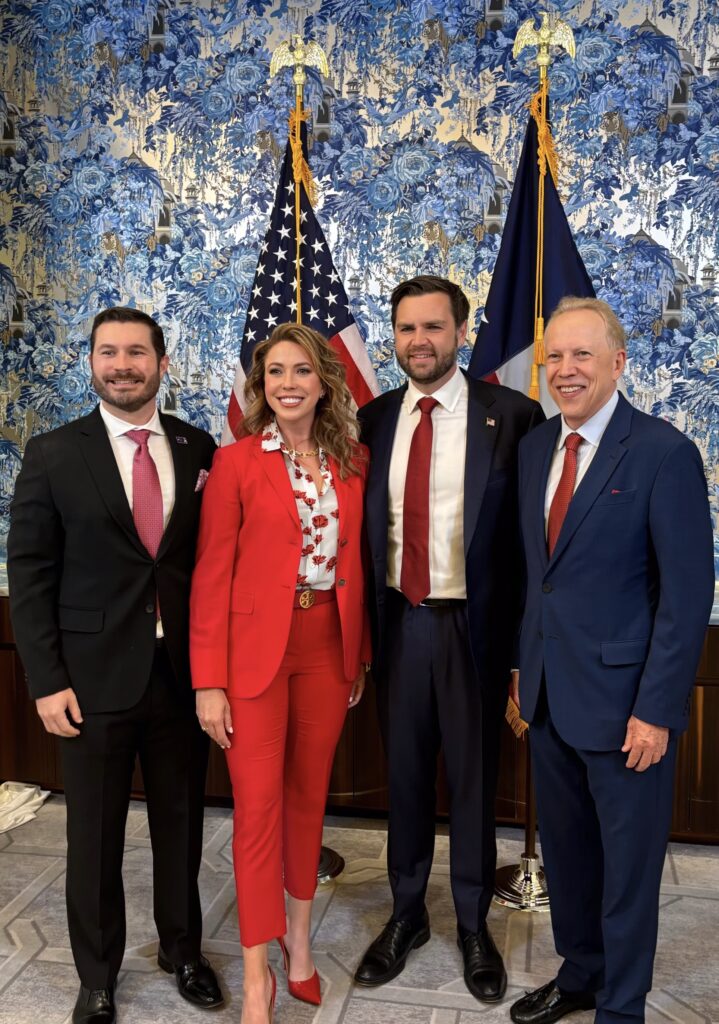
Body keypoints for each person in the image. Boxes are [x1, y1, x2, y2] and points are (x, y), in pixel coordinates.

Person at [7, 307, 222, 1024]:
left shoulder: (197, 447)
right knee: (94, 838)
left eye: (136, 352)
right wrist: (46, 682)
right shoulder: (53, 453)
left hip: (181, 677)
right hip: (90, 681)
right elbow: (30, 575)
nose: (122, 365)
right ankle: (97, 977)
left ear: (161, 362)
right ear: (92, 362)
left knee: (181, 827)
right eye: (108, 352)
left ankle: (182, 952)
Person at [509, 297, 714, 1024]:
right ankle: (581, 977)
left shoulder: (662, 453)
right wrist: (521, 670)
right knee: (568, 859)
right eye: (554, 357)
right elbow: (538, 577)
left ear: (618, 363)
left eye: (582, 355)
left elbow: (685, 597)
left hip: (628, 711)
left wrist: (656, 711)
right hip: (547, 698)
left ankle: (620, 1009)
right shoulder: (536, 447)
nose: (564, 370)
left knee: (626, 874)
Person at [354, 275, 545, 1001]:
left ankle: (471, 924)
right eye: (406, 328)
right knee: (404, 779)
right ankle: (405, 915)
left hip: (475, 628)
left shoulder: (513, 416)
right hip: (398, 626)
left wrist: (526, 652)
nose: (419, 341)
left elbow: (530, 545)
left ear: (461, 333)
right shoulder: (372, 419)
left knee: (472, 781)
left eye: (434, 327)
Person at [190, 321, 370, 1024]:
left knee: (305, 800)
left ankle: (298, 945)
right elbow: (211, 576)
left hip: (328, 646)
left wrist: (358, 653)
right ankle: (256, 972)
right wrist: (209, 681)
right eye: (274, 373)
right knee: (257, 808)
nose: (288, 384)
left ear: (324, 381)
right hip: (252, 656)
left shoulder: (352, 458)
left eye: (301, 371)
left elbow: (358, 562)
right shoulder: (235, 462)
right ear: (260, 386)